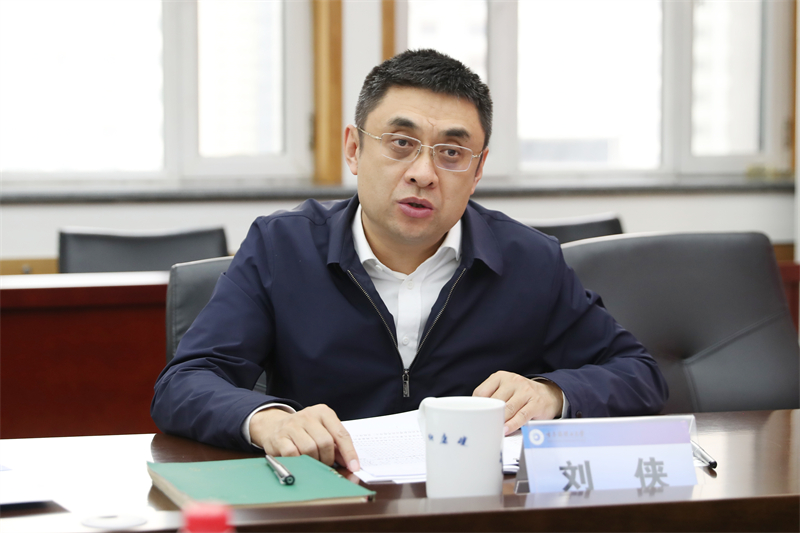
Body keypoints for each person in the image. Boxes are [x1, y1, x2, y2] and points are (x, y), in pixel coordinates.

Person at [151, 49, 668, 474]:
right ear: (354, 149)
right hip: (330, 504)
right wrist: (269, 419)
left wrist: (553, 393)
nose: (423, 173)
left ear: (478, 170)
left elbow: (638, 374)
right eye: (401, 144)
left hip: (475, 508)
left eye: (452, 153)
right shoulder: (281, 247)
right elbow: (186, 382)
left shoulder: (529, 259)